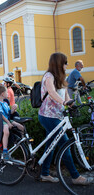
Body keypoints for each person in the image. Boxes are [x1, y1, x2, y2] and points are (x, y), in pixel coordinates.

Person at [38, 52, 91, 184]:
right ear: (59, 63)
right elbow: (52, 92)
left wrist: (70, 103)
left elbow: (65, 93)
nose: (67, 65)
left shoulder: (61, 77)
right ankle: (75, 177)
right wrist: (63, 103)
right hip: (48, 116)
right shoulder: (48, 76)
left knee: (51, 144)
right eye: (65, 62)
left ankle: (44, 174)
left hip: (58, 115)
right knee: (65, 145)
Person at [0, 85, 24, 161]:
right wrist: (8, 123)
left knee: (21, 127)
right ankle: (5, 151)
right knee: (6, 131)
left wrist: (13, 109)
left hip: (7, 120)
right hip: (1, 121)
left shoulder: (5, 103)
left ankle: (22, 143)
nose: (8, 93)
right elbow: (1, 115)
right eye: (6, 92)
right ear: (3, 94)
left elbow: (9, 113)